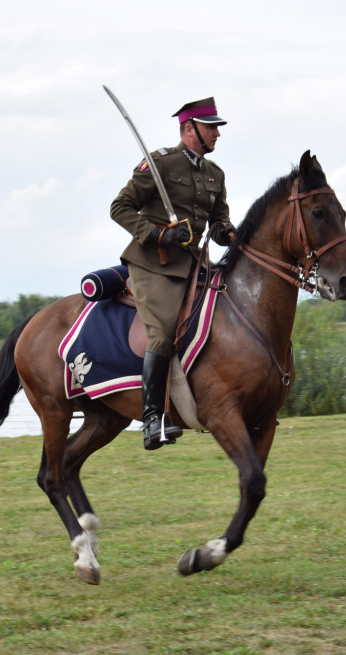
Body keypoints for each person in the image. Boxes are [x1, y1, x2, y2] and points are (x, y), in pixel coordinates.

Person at [110, 97, 235, 450]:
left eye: (217, 128)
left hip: (196, 263)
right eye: (212, 128)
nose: (217, 134)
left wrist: (226, 232)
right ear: (189, 129)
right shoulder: (160, 163)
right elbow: (120, 207)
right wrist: (158, 234)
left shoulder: (215, 174)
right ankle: (153, 418)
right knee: (163, 331)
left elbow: (219, 220)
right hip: (154, 264)